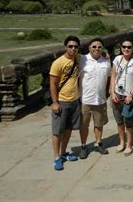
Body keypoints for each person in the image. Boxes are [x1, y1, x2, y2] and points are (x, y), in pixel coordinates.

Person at [49, 35, 81, 171]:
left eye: (75, 47)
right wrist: (55, 102)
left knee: (68, 129)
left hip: (74, 100)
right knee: (57, 131)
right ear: (65, 47)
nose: (73, 49)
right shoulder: (58, 63)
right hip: (62, 101)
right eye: (70, 46)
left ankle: (63, 153)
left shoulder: (78, 59)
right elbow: (52, 83)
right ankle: (56, 157)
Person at [78, 38, 111, 159]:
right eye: (94, 46)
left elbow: (108, 78)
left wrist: (107, 93)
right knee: (84, 125)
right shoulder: (82, 59)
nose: (96, 48)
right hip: (85, 99)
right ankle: (83, 146)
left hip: (100, 99)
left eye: (99, 47)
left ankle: (98, 143)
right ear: (89, 48)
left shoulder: (106, 61)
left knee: (99, 124)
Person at [110, 39, 133, 156]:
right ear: (121, 48)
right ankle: (122, 142)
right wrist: (112, 92)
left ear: (132, 48)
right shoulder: (117, 59)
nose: (126, 49)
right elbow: (113, 76)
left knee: (128, 122)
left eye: (129, 47)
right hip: (117, 94)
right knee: (119, 122)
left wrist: (131, 95)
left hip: (129, 96)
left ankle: (129, 144)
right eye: (124, 47)